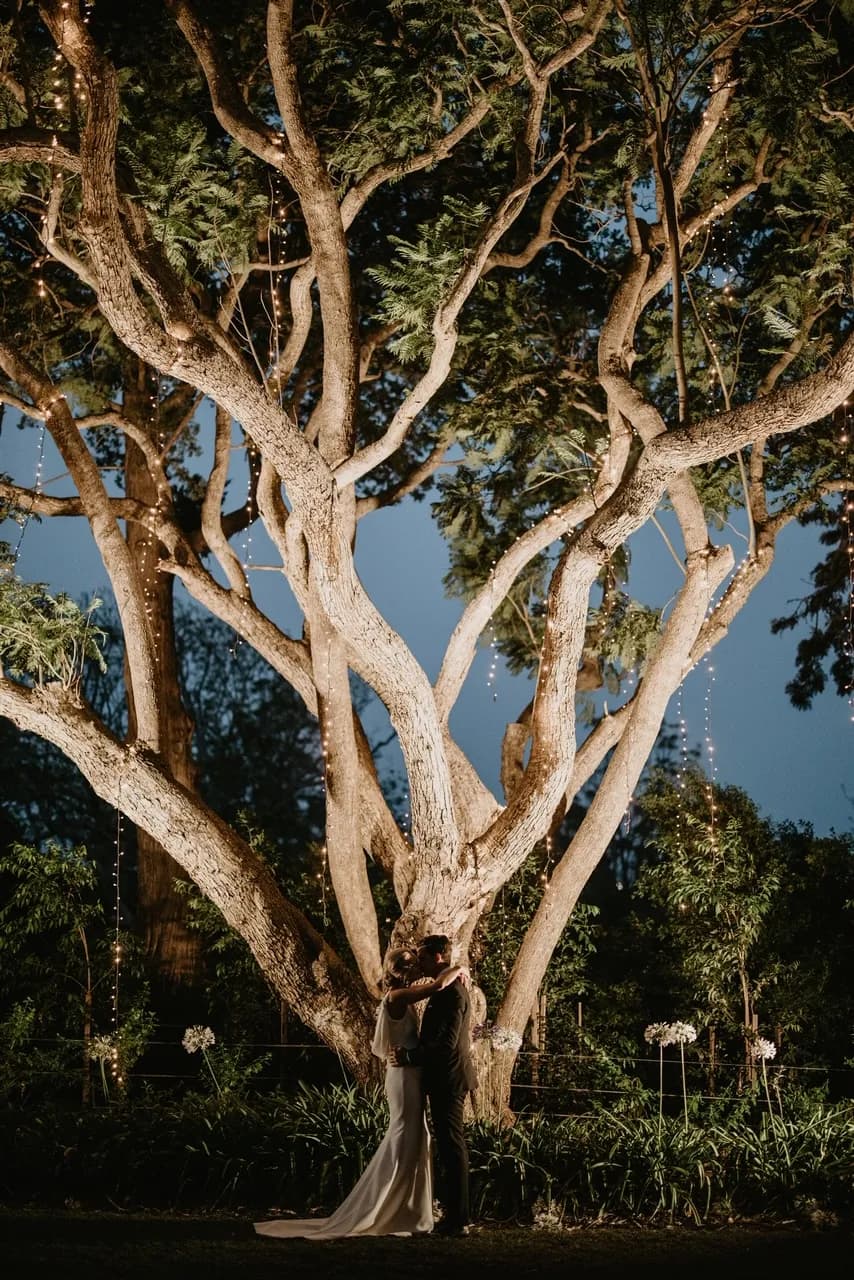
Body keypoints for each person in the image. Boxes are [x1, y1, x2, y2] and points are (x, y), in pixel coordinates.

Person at [254, 947, 465, 1240]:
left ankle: (407, 1208)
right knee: (404, 1135)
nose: (419, 967)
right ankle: (384, 1207)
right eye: (414, 964)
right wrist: (459, 968)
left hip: (411, 1074)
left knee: (416, 1137)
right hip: (404, 1076)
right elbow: (438, 986)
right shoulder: (397, 997)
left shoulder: (401, 996)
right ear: (405, 971)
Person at [393, 934, 477, 1237]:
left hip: (449, 1078)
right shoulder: (445, 986)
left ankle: (458, 1219)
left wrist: (410, 1056)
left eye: (424, 956)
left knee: (452, 1145)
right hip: (442, 1077)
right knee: (448, 1144)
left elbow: (446, 1044)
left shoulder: (452, 992)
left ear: (438, 956)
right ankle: (454, 1215)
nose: (420, 961)